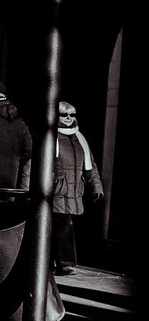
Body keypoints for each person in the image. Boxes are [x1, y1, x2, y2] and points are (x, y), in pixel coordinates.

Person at [52, 100, 104, 274]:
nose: (68, 118)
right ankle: (63, 263)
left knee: (64, 226)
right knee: (61, 226)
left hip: (74, 192)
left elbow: (90, 166)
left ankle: (62, 263)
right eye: (64, 114)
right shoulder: (51, 137)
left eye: (72, 114)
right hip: (57, 192)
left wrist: (96, 187)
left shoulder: (80, 138)